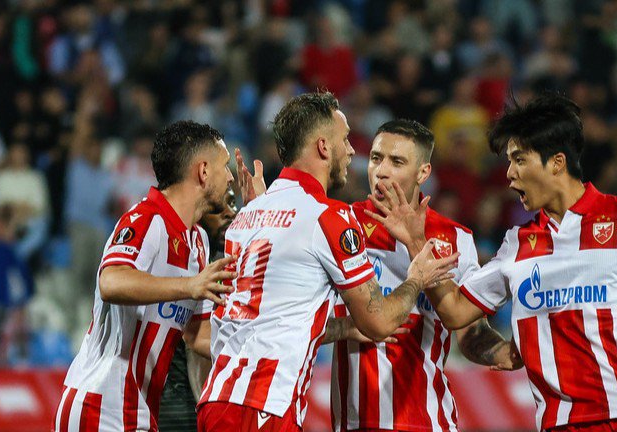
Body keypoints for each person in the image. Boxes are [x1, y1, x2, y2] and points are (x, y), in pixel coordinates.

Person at [370, 94, 617, 431]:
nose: (509, 174)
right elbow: (456, 312)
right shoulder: (517, 245)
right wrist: (415, 241)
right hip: (561, 424)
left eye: (519, 160)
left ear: (557, 162)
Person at [196, 92, 458, 432]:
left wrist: (345, 327)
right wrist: (417, 277)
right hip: (264, 404)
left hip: (218, 399)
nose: (350, 151)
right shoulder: (329, 216)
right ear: (323, 147)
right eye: (345, 140)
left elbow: (266, 319)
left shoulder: (246, 216)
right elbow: (379, 322)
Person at [326, 119, 522, 431]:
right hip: (357, 423)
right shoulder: (340, 225)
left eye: (397, 162)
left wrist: (504, 351)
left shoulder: (457, 239)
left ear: (423, 173)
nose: (382, 171)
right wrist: (344, 328)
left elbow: (471, 334)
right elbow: (301, 324)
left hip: (431, 421)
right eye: (376, 158)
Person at [53, 120, 241, 432]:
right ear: (203, 171)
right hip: (99, 407)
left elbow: (198, 336)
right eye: (225, 166)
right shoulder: (146, 219)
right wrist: (188, 285)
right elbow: (111, 282)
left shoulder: (198, 242)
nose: (231, 176)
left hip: (138, 412)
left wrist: (261, 345)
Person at [159, 188, 238, 432]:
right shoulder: (193, 263)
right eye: (220, 206)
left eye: (233, 203)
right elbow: (197, 348)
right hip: (180, 407)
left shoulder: (215, 263)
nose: (230, 213)